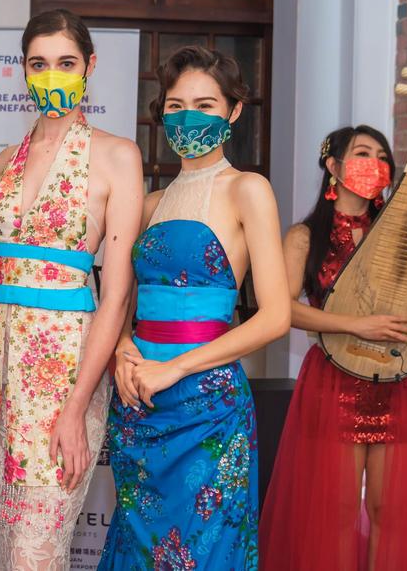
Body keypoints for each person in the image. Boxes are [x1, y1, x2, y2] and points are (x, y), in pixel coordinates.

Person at [0, 9, 142, 570]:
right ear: (23, 70)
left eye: (66, 62)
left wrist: (76, 408)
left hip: (64, 374)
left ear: (90, 66)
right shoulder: (2, 166)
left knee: (33, 554)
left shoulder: (117, 156)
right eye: (38, 64)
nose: (52, 75)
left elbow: (116, 294)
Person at [98, 46, 290, 570]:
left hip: (207, 406)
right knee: (137, 548)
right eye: (176, 105)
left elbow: (276, 317)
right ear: (161, 113)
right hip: (139, 402)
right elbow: (122, 301)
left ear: (234, 111)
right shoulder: (150, 203)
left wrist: (175, 368)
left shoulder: (248, 190)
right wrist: (122, 350)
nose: (189, 118)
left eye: (205, 105)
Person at [259, 125, 407, 571]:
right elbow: (282, 310)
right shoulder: (305, 237)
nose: (374, 164)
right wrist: (355, 325)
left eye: (382, 157)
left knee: (390, 513)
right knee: (335, 513)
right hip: (334, 383)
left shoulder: (403, 237)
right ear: (333, 166)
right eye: (362, 153)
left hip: (401, 382)